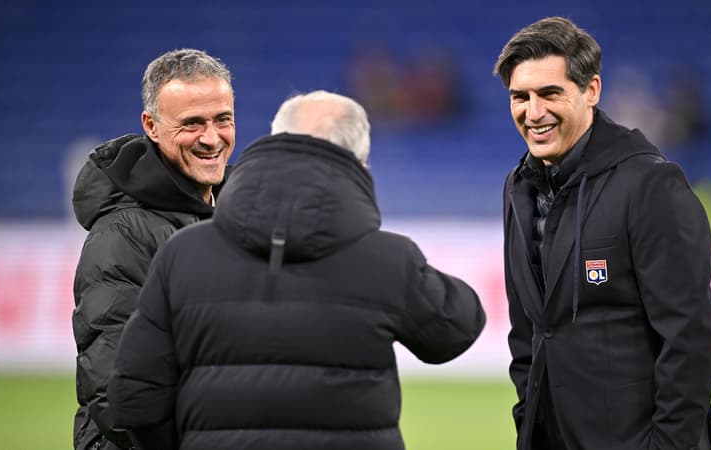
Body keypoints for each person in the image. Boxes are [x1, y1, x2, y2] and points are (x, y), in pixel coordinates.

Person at [107, 90, 486, 450]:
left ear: (276, 144)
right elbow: (455, 329)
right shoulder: (389, 259)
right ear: (358, 165)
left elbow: (135, 399)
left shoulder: (183, 253)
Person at [492, 17, 711, 450]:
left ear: (592, 90)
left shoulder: (650, 185)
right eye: (520, 97)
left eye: (550, 93)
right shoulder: (517, 188)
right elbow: (528, 331)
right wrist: (529, 418)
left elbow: (690, 335)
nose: (533, 112)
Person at [71, 48, 235, 450]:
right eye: (192, 123)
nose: (211, 137)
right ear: (152, 126)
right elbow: (117, 394)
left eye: (222, 119)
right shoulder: (121, 235)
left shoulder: (239, 217)